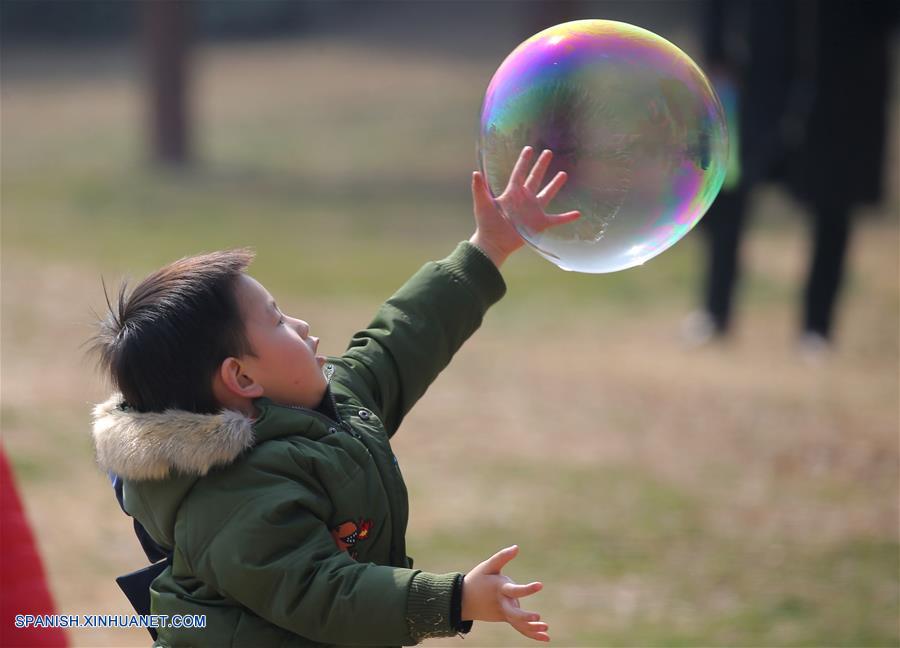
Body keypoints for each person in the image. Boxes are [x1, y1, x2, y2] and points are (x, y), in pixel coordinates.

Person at [89, 147, 579, 646]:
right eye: (277, 320)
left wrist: (487, 248)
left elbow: (401, 341)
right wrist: (453, 600)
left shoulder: (325, 403)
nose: (301, 324)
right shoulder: (230, 497)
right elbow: (325, 593)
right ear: (241, 378)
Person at [685, 0, 895, 355]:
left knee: (833, 203)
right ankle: (715, 312)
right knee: (726, 191)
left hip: (840, 79)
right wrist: (715, 49)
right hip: (754, 72)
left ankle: (817, 328)